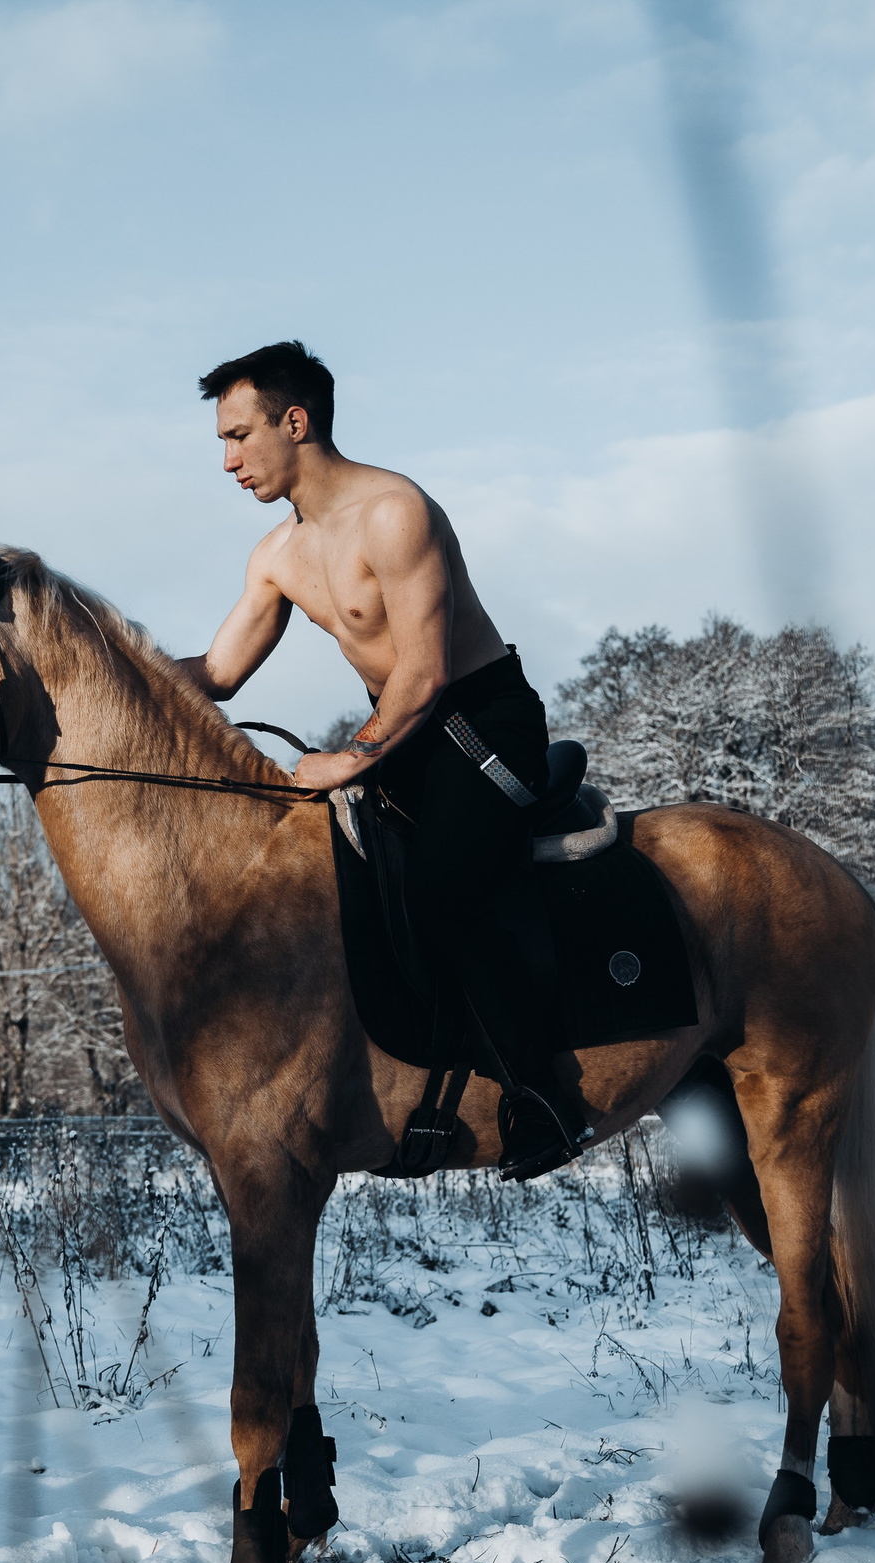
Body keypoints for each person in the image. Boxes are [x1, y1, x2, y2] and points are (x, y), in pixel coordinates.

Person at [174, 340, 588, 1179]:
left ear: (296, 423)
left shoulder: (395, 512)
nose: (228, 462)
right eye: (222, 442)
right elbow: (216, 674)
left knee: (442, 888)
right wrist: (104, 675)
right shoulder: (276, 556)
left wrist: (346, 759)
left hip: (479, 724)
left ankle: (540, 1098)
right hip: (401, 732)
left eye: (239, 436)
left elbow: (427, 671)